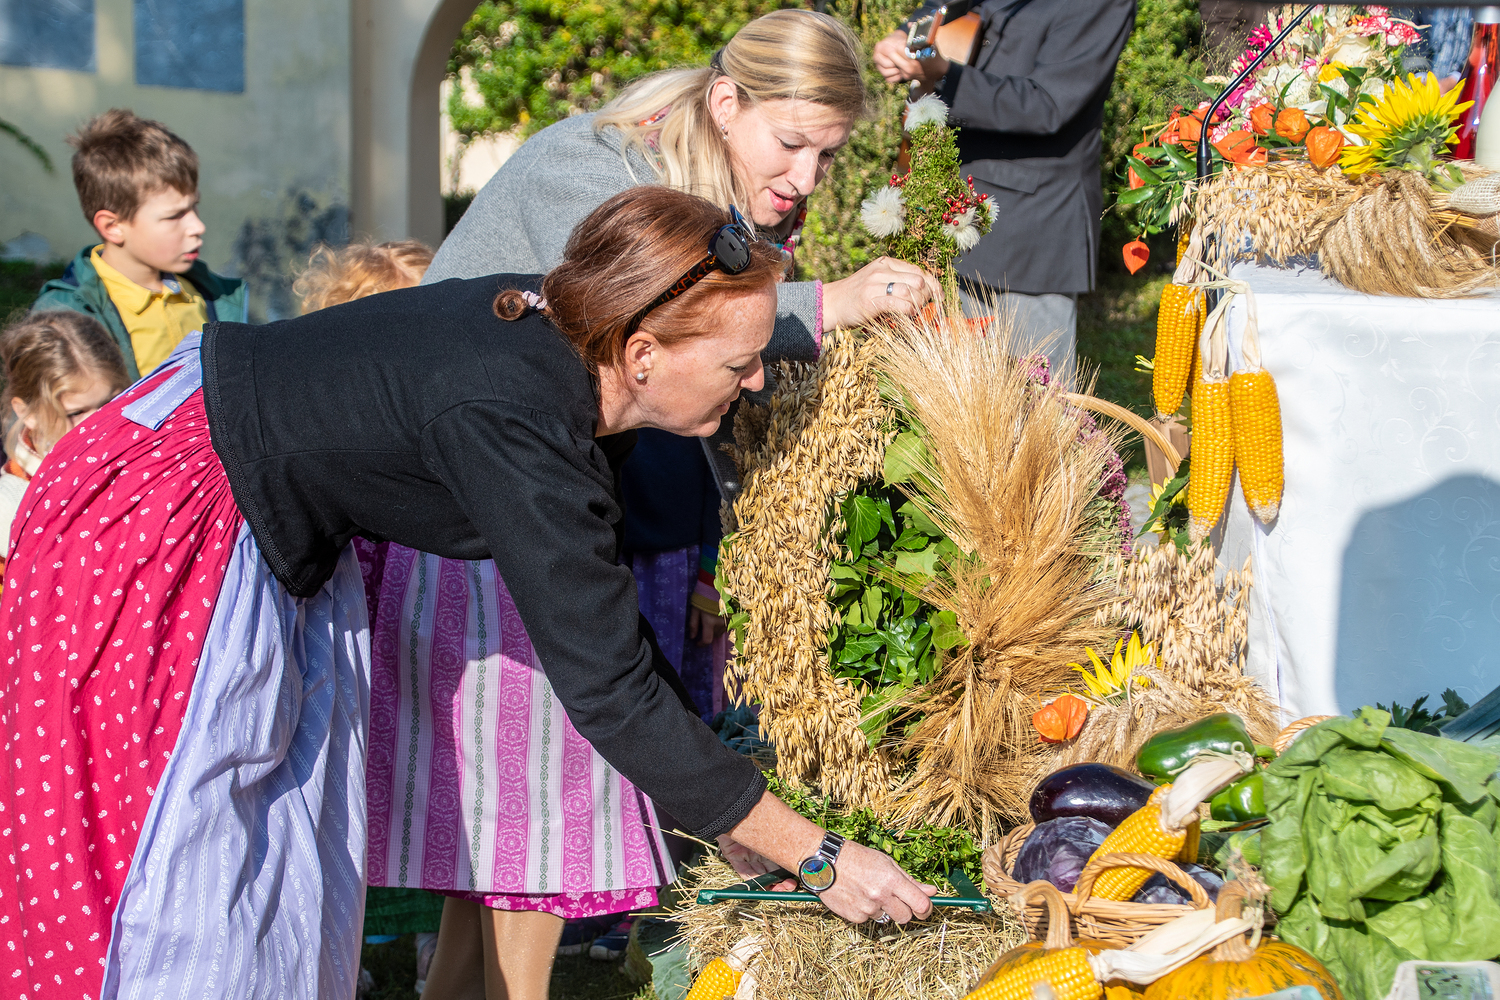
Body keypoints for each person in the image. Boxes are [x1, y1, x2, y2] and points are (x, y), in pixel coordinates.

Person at [0, 188, 935, 1000]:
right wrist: (818, 854)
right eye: (741, 363)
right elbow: (607, 690)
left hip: (232, 512)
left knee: (264, 860)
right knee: (172, 859)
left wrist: (738, 822)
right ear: (645, 352)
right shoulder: (514, 409)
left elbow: (609, 631)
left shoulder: (575, 366)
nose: (758, 379)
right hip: (158, 526)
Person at [291, 238, 448, 989]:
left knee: (427, 781)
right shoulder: (336, 432)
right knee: (347, 791)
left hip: (424, 652)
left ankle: (432, 945)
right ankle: (342, 948)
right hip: (357, 642)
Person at [873, 0, 1136, 376]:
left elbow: (1048, 104)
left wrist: (945, 75)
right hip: (962, 208)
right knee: (950, 394)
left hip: (1034, 227)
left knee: (1037, 397)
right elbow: (944, 5)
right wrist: (906, 34)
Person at [31, 108, 247, 380]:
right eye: (174, 216)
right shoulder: (66, 318)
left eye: (194, 207)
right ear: (112, 227)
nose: (197, 226)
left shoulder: (211, 294)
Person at [0, 310, 130, 573]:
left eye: (112, 401)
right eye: (76, 412)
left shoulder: (142, 459)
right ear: (28, 413)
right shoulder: (11, 508)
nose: (100, 423)